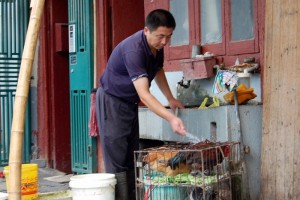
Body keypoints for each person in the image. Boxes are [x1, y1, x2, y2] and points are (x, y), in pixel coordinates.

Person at [95, 9, 186, 200]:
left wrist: (170, 98)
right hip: (112, 101)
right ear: (146, 30)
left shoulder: (156, 48)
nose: (164, 42)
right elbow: (144, 94)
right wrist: (170, 118)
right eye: (160, 36)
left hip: (129, 103)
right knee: (117, 161)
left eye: (168, 37)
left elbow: (158, 70)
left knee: (131, 155)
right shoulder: (134, 50)